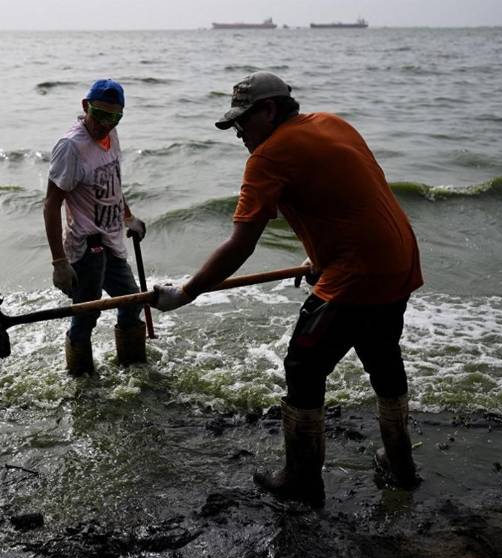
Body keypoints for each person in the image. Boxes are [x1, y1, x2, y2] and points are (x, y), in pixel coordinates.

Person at [153, 71, 423, 508]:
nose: (239, 133)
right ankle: (401, 463)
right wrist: (322, 258)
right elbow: (350, 201)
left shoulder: (269, 156)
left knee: (302, 367)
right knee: (382, 357)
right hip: (399, 259)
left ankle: (300, 479)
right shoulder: (332, 123)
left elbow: (241, 243)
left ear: (270, 110)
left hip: (356, 274)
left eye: (243, 121)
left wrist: (186, 293)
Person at [44, 78, 147, 376]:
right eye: (101, 115)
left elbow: (111, 181)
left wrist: (128, 217)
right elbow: (51, 205)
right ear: (85, 106)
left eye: (115, 117)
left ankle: (132, 367)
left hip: (112, 238)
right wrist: (59, 263)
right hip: (87, 245)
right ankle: (81, 379)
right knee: (86, 316)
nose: (107, 124)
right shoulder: (70, 147)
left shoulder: (112, 136)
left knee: (131, 300)